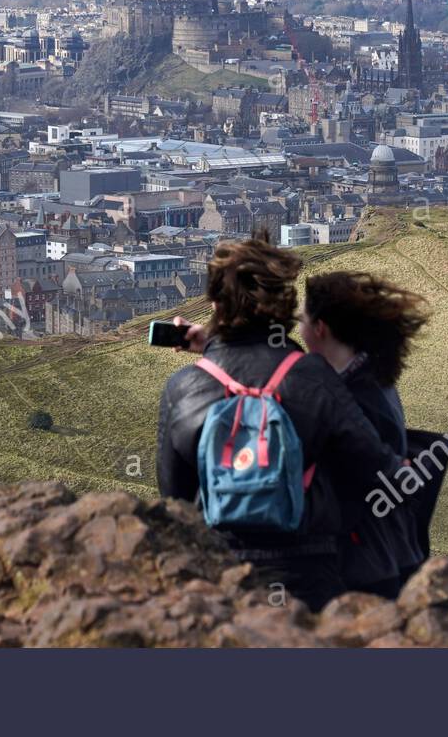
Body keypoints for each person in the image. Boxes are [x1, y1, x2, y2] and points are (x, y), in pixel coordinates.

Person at [158, 231, 403, 611]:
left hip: (218, 579)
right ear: (283, 303)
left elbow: (174, 498)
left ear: (216, 304)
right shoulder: (312, 376)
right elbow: (377, 470)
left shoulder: (184, 386)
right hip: (307, 577)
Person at [299, 271, 430, 597]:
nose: (296, 327)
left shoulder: (355, 397)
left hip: (365, 566)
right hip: (387, 554)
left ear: (319, 329)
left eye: (300, 319)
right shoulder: (368, 377)